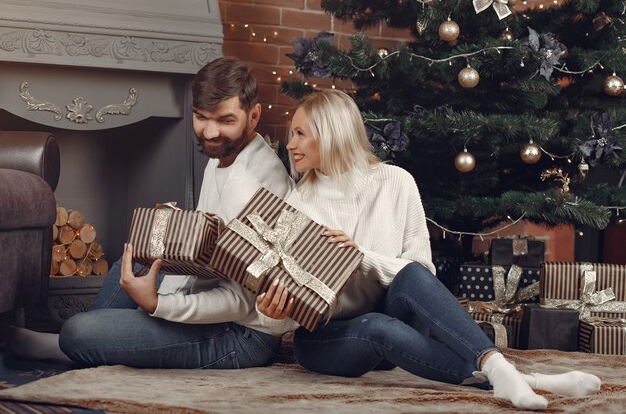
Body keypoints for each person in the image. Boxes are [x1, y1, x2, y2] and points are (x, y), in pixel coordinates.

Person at [256, 89, 601, 410]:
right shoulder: (298, 203)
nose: (290, 144)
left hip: (397, 321)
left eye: (300, 133)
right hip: (329, 339)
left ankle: (496, 367)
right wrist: (273, 314)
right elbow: (292, 303)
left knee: (409, 274)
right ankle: (521, 377)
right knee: (375, 325)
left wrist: (362, 258)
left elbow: (421, 273)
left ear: (332, 132)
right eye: (292, 134)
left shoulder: (396, 182)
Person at [5, 57, 293, 369]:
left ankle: (81, 342)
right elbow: (209, 259)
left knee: (78, 332)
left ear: (254, 116)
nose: (209, 133)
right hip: (212, 298)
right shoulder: (227, 153)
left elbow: (240, 301)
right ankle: (94, 342)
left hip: (241, 334)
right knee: (138, 253)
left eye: (225, 120)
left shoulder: (250, 188)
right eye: (201, 117)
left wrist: (159, 304)